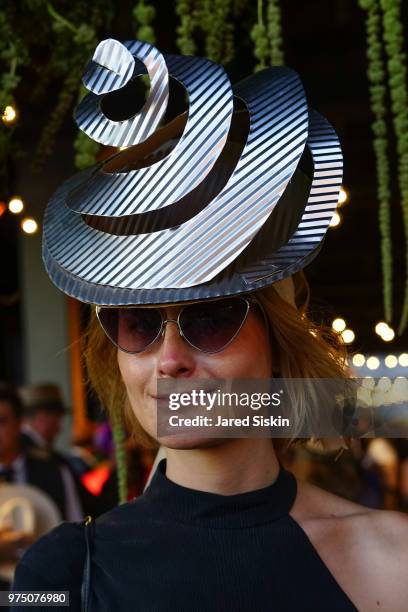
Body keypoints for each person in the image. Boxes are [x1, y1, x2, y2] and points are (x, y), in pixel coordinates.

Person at [12, 37, 408, 611]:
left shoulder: (392, 560)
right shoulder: (59, 574)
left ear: (277, 337)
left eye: (212, 319)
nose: (169, 358)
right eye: (138, 326)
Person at [0, 382, 83, 521]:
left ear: (19, 423)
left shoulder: (56, 472)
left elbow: (76, 525)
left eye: (1, 422)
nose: (59, 426)